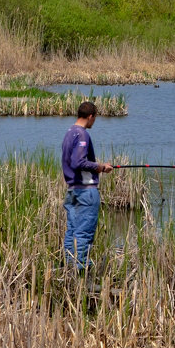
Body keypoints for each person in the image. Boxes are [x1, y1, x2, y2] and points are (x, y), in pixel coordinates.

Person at [61, 101, 113, 270]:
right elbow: (79, 162)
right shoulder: (82, 134)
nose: (94, 122)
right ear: (91, 116)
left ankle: (69, 266)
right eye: (95, 118)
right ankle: (81, 270)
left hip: (72, 190)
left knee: (72, 231)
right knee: (84, 233)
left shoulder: (69, 133)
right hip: (85, 192)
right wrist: (100, 167)